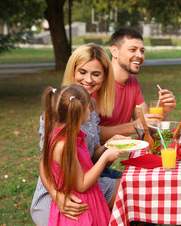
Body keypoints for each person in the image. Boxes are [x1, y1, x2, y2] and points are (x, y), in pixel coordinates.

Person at [30, 44, 128, 225]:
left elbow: (87, 155)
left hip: (86, 183)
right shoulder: (60, 109)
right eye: (82, 72)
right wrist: (57, 196)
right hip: (60, 192)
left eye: (96, 74)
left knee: (131, 186)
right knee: (129, 192)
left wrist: (108, 145)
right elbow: (45, 163)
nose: (88, 79)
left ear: (105, 76)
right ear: (72, 71)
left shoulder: (88, 105)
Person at [41, 84, 122, 225]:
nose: (90, 111)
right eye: (88, 108)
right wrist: (105, 158)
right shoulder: (64, 145)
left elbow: (84, 162)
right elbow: (81, 184)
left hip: (88, 200)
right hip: (79, 209)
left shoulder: (68, 132)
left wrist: (107, 145)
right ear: (79, 113)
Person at [95, 28, 177, 144]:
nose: (139, 55)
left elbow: (147, 132)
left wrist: (163, 111)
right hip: (85, 160)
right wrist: (133, 126)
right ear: (114, 51)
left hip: (107, 159)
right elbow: (88, 133)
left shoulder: (132, 82)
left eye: (142, 51)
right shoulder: (97, 82)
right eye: (132, 50)